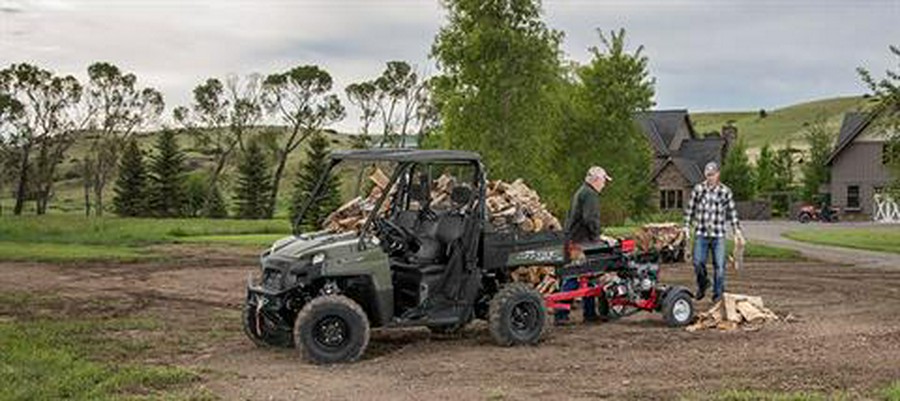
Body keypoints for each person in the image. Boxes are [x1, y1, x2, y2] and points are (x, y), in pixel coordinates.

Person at [556, 166, 612, 324]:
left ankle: (589, 313)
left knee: (589, 275)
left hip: (576, 239)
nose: (604, 185)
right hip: (581, 242)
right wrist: (598, 237)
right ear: (595, 180)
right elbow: (590, 219)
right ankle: (561, 315)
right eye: (603, 181)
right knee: (574, 276)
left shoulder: (582, 191)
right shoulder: (590, 195)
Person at [683, 161, 744, 302]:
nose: (710, 177)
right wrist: (686, 226)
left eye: (712, 174)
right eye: (707, 175)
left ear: (718, 174)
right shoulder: (699, 189)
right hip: (701, 233)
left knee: (720, 267)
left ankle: (717, 295)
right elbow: (690, 210)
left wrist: (737, 231)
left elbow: (733, 213)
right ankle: (703, 284)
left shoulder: (725, 192)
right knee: (698, 263)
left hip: (718, 235)